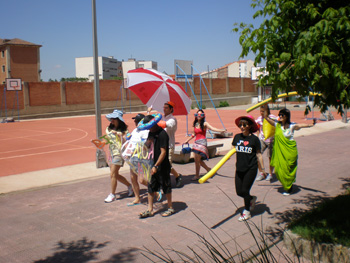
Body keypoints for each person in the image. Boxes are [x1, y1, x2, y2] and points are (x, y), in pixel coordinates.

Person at [263, 108, 316, 196]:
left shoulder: (292, 126)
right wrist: (265, 105)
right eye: (279, 115)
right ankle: (286, 185)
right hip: (280, 153)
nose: (280, 116)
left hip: (290, 152)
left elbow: (301, 125)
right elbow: (266, 118)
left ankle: (288, 188)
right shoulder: (277, 125)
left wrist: (311, 124)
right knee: (280, 171)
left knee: (288, 170)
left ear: (287, 117)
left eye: (282, 115)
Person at [139, 115, 175, 218]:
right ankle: (150, 209)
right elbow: (147, 146)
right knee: (151, 186)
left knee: (165, 185)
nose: (148, 128)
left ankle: (170, 207)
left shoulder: (162, 134)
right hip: (152, 163)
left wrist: (156, 165)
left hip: (162, 165)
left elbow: (163, 152)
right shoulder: (151, 133)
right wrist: (147, 142)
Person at [232, 115, 267, 221]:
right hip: (239, 168)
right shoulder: (237, 137)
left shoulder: (254, 139)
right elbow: (232, 149)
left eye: (244, 125)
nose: (242, 127)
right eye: (240, 125)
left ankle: (247, 212)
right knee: (239, 192)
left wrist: (263, 169)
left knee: (245, 190)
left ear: (249, 126)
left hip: (251, 168)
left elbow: (259, 155)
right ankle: (251, 199)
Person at [147, 102, 183, 188]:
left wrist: (152, 120)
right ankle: (176, 176)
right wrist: (149, 113)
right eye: (164, 107)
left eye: (166, 108)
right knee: (161, 164)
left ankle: (169, 182)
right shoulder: (162, 117)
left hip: (168, 145)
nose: (164, 109)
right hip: (159, 145)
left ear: (171, 109)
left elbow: (163, 125)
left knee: (166, 165)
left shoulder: (172, 120)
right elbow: (151, 123)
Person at [184, 109, 226, 181]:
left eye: (201, 115)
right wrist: (187, 140)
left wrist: (221, 130)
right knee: (197, 159)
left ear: (203, 116)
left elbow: (212, 128)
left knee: (197, 160)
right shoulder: (196, 123)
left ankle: (197, 175)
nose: (199, 116)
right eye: (197, 115)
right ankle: (208, 169)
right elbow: (194, 134)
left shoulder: (205, 124)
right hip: (196, 142)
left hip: (202, 142)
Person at [104, 109, 134, 203]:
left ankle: (112, 194)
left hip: (119, 153)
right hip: (111, 153)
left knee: (112, 174)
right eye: (111, 118)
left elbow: (128, 140)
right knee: (115, 175)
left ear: (119, 120)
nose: (111, 120)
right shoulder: (108, 129)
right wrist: (101, 143)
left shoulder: (124, 130)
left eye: (114, 119)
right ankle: (129, 186)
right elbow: (107, 140)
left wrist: (119, 134)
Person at [123, 113, 149, 206]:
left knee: (142, 180)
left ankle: (154, 188)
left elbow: (145, 144)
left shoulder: (145, 131)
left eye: (136, 120)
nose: (134, 122)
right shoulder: (135, 130)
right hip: (132, 157)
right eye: (135, 120)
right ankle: (137, 198)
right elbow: (131, 142)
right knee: (133, 178)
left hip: (140, 158)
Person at [255, 104, 277, 181]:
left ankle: (270, 174)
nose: (261, 113)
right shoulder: (259, 119)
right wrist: (258, 137)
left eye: (263, 111)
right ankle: (262, 173)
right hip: (262, 139)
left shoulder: (273, 118)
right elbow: (257, 127)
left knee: (270, 157)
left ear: (267, 111)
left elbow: (277, 126)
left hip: (271, 140)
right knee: (257, 155)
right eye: (260, 111)